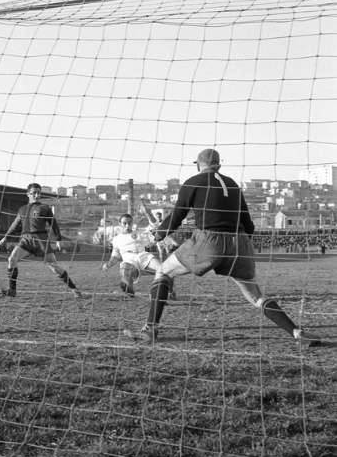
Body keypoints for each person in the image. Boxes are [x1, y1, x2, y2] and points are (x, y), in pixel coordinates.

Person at [124, 148, 321, 345]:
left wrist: (159, 234)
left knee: (163, 272)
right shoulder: (233, 184)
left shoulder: (193, 182)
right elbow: (249, 225)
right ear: (219, 164)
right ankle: (296, 332)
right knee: (256, 297)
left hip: (209, 241)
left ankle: (150, 329)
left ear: (199, 165)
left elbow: (177, 215)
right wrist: (239, 246)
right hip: (239, 243)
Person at [0, 183, 82, 298]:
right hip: (26, 240)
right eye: (34, 193)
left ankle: (74, 289)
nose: (37, 195)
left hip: (41, 240)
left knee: (54, 267)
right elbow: (15, 225)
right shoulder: (22, 209)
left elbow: (53, 223)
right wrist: (5, 237)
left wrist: (58, 239)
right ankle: (12, 290)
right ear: (28, 194)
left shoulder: (44, 208)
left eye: (39, 193)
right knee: (12, 259)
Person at [101, 213, 175, 298]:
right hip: (129, 259)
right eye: (124, 223)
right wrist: (108, 265)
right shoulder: (116, 239)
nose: (127, 225)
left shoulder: (141, 233)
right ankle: (128, 290)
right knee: (125, 270)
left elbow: (155, 237)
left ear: (132, 223)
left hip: (144, 257)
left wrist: (162, 237)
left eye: (129, 223)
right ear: (120, 223)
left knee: (166, 271)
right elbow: (116, 256)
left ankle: (170, 292)